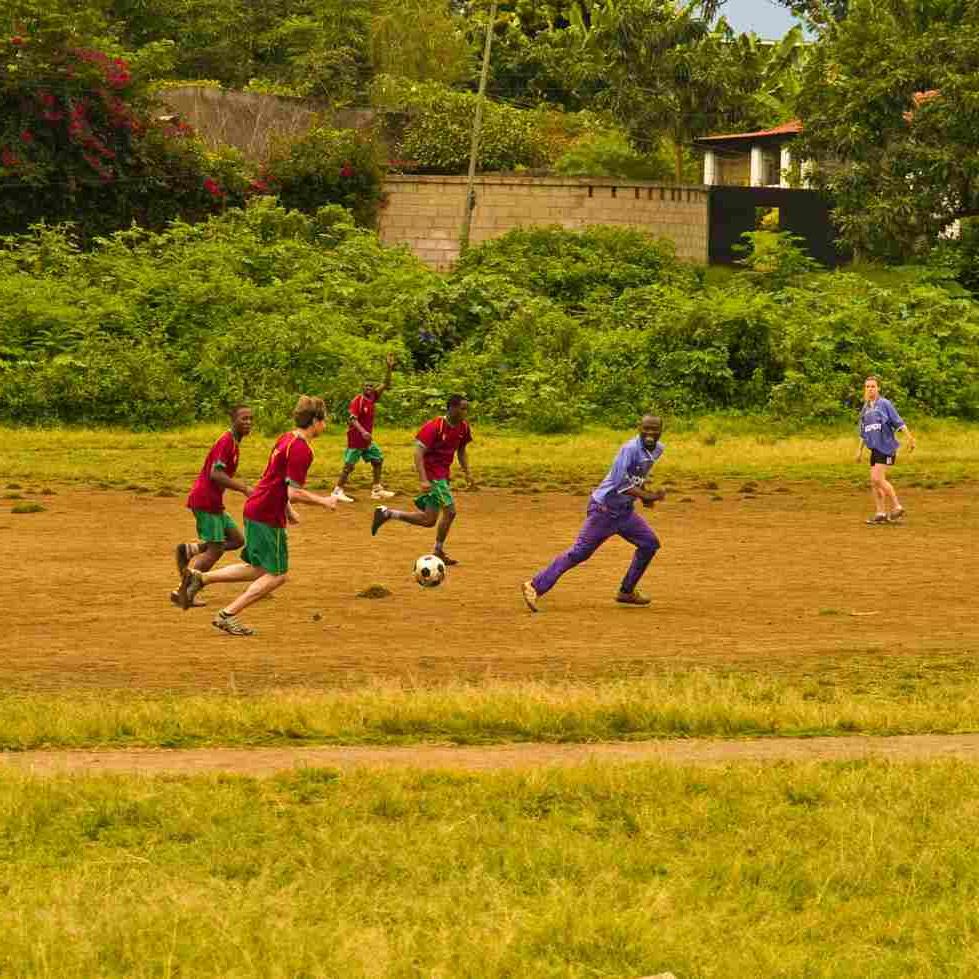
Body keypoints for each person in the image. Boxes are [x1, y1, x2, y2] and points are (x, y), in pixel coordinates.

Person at [176, 396, 337, 636]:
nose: (326, 425)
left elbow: (273, 478)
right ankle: (227, 615)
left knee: (259, 569)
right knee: (278, 575)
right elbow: (292, 491)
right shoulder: (302, 449)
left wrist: (287, 509)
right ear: (315, 421)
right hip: (266, 514)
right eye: (325, 420)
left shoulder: (286, 438)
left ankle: (201, 578)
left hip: (258, 507)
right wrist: (324, 501)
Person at [522, 415, 667, 612]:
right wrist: (648, 496)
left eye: (654, 430)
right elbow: (620, 483)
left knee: (649, 544)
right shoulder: (629, 449)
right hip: (604, 510)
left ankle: (626, 591)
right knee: (579, 552)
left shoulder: (657, 449)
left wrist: (643, 496)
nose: (650, 433)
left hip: (624, 512)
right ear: (638, 428)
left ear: (661, 430)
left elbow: (637, 474)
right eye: (646, 429)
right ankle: (534, 585)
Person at [370, 394, 474, 566]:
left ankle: (387, 513)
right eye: (462, 408)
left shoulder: (463, 428)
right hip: (433, 476)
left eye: (466, 408)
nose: (465, 412)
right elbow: (418, 453)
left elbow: (461, 450)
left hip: (443, 476)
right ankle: (438, 551)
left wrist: (467, 472)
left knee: (429, 520)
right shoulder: (435, 426)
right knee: (450, 511)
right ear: (451, 408)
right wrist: (424, 479)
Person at [172, 405, 254, 607]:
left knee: (236, 539)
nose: (248, 422)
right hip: (205, 500)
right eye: (243, 418)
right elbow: (215, 474)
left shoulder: (233, 443)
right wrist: (244, 488)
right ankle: (182, 591)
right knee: (215, 550)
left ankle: (191, 550)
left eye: (251, 419)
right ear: (232, 419)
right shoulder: (226, 442)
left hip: (213, 501)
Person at [332, 353, 396, 503]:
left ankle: (376, 489)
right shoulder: (358, 400)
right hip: (356, 438)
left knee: (378, 459)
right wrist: (363, 432)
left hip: (367, 440)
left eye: (371, 386)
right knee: (349, 466)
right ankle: (337, 491)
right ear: (362, 388)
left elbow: (385, 384)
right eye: (366, 386)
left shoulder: (372, 397)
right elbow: (352, 418)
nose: (369, 388)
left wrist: (389, 368)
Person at [856, 375, 916, 524]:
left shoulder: (884, 404)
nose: (870, 389)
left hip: (887, 447)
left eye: (873, 386)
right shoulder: (865, 409)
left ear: (878, 388)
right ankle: (880, 513)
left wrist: (910, 437)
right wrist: (859, 451)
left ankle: (897, 506)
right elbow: (863, 433)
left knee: (878, 478)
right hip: (875, 449)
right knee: (874, 482)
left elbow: (898, 422)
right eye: (867, 386)